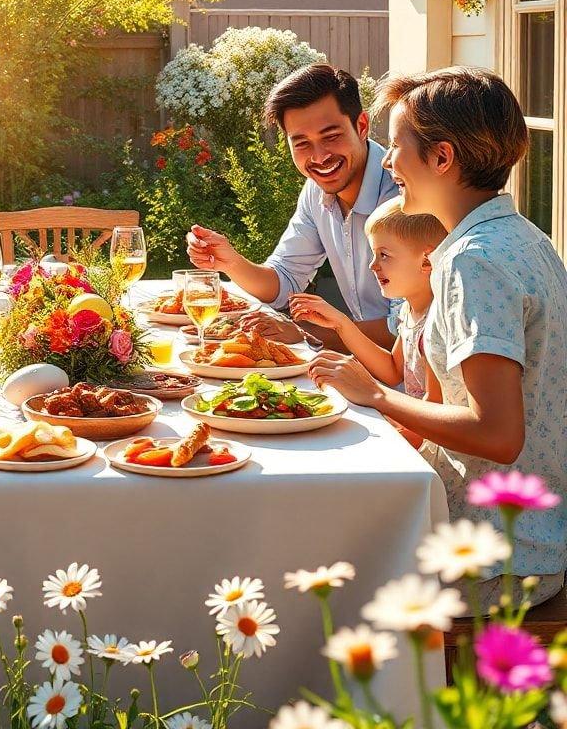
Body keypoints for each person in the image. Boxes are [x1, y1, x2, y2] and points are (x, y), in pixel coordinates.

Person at [309, 67, 566, 606]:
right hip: (532, 543)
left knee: (314, 573)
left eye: (397, 147)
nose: (386, 162)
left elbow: (497, 433)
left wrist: (377, 396)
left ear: (442, 158)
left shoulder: (472, 262)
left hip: (496, 561)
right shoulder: (525, 238)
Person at [187, 64, 399, 350]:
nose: (320, 157)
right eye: (301, 143)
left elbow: (404, 327)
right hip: (365, 367)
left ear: (362, 126)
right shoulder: (316, 191)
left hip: (413, 381)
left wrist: (302, 333)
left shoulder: (401, 195)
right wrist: (230, 262)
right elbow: (285, 279)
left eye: (331, 136)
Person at [290, 197, 445, 400]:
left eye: (384, 255)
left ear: (426, 260)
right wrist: (341, 324)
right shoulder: (410, 311)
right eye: (374, 254)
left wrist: (382, 414)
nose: (373, 265)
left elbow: (435, 410)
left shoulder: (436, 322)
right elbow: (392, 370)